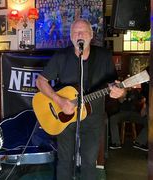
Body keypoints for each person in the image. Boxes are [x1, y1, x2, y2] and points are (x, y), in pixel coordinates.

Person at [35, 19, 126, 179]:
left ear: (91, 36)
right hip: (65, 118)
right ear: (71, 37)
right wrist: (59, 100)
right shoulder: (61, 56)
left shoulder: (104, 56)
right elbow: (40, 81)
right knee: (64, 161)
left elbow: (116, 86)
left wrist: (121, 92)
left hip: (93, 120)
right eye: (76, 32)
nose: (80, 35)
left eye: (84, 31)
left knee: (89, 163)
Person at [109, 84, 149, 151]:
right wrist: (124, 93)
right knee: (113, 118)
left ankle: (139, 142)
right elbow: (120, 101)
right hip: (122, 113)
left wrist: (144, 106)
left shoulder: (135, 91)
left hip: (133, 113)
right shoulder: (122, 91)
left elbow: (143, 99)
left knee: (149, 121)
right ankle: (116, 143)